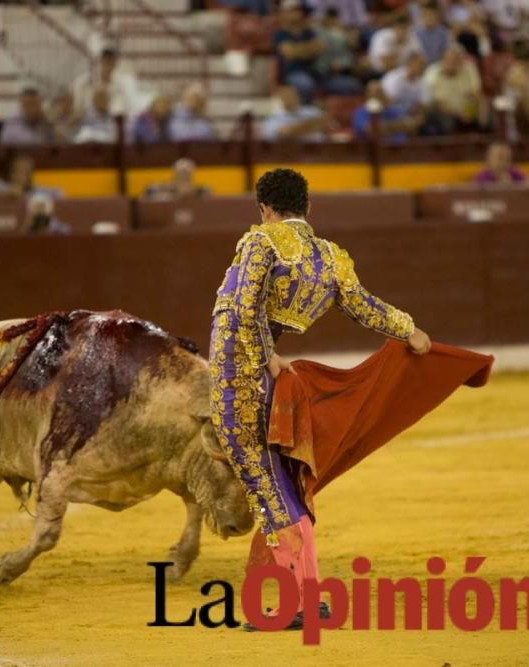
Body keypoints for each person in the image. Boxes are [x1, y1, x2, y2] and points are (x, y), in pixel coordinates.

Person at [208, 168, 431, 631]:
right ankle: (310, 597)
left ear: (265, 210)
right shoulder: (330, 258)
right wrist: (410, 330)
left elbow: (245, 307)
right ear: (308, 208)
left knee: (269, 488)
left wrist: (267, 356)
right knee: (282, 485)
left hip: (239, 379)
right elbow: (364, 306)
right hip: (268, 379)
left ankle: (300, 605)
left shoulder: (261, 241)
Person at [424, 44, 487, 133]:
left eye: (457, 59)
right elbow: (436, 102)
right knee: (446, 120)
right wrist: (458, 113)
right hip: (444, 111)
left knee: (485, 114)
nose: (453, 62)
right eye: (449, 59)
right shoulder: (432, 72)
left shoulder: (468, 70)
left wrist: (469, 111)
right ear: (442, 59)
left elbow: (475, 94)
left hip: (466, 110)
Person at [71, 46, 145, 119]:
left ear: (114, 63)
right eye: (104, 61)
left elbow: (131, 107)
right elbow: (77, 108)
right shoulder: (83, 82)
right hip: (89, 121)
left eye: (110, 61)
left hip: (115, 120)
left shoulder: (125, 83)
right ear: (100, 61)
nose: (106, 65)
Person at [351, 79, 421, 141]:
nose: (376, 95)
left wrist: (385, 128)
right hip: (375, 151)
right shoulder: (360, 112)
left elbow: (410, 126)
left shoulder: (393, 110)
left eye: (379, 92)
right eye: (373, 92)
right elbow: (370, 130)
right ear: (367, 94)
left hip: (400, 149)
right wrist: (397, 126)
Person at [261, 85, 327, 142]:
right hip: (290, 152)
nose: (290, 98)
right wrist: (308, 126)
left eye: (293, 94)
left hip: (320, 150)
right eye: (286, 95)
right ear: (280, 99)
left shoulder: (313, 111)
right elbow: (284, 133)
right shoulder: (273, 119)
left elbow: (327, 122)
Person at [144, 158, 211, 199]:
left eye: (186, 173)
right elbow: (148, 192)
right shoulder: (161, 189)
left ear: (192, 174)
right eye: (181, 172)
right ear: (175, 173)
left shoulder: (202, 191)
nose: (184, 175)